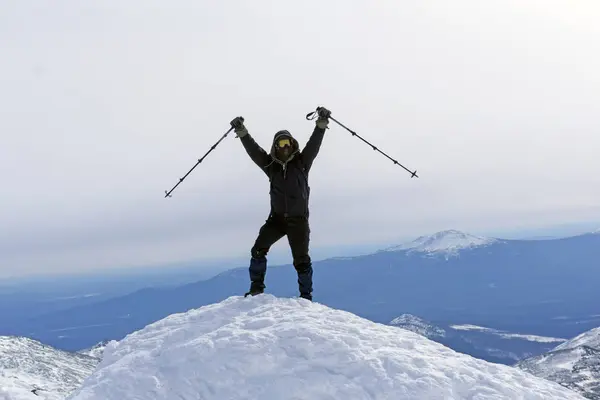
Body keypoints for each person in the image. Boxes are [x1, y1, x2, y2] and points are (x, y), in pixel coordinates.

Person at [230, 107, 331, 301]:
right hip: (276, 220)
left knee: (301, 261)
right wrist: (242, 131)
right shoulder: (271, 166)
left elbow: (314, 144)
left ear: (293, 144)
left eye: (287, 142)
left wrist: (321, 123)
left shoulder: (302, 163)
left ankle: (305, 298)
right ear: (275, 147)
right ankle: (256, 289)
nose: (285, 146)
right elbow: (254, 151)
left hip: (298, 221)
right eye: (281, 143)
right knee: (258, 250)